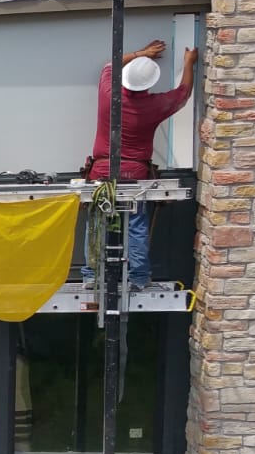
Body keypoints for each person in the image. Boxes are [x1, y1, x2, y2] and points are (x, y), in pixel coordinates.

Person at [85, 39, 198, 289]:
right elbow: (183, 94)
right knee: (135, 225)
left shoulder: (108, 95)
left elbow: (109, 66)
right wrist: (189, 63)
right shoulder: (154, 106)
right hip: (135, 174)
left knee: (97, 223)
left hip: (102, 172)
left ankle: (91, 275)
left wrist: (142, 53)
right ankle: (137, 278)